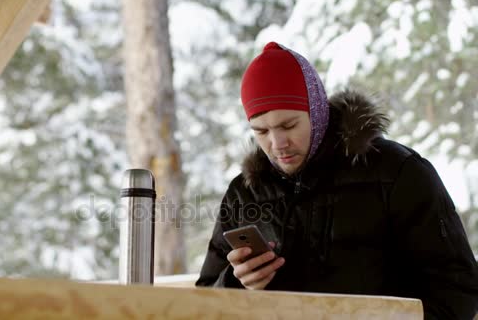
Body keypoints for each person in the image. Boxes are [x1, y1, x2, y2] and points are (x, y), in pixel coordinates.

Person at [196, 42, 478, 319]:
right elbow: (204, 301)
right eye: (261, 131)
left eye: (288, 125)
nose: (277, 143)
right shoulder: (243, 194)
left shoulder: (398, 173)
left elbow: (457, 292)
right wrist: (237, 284)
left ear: (317, 111)